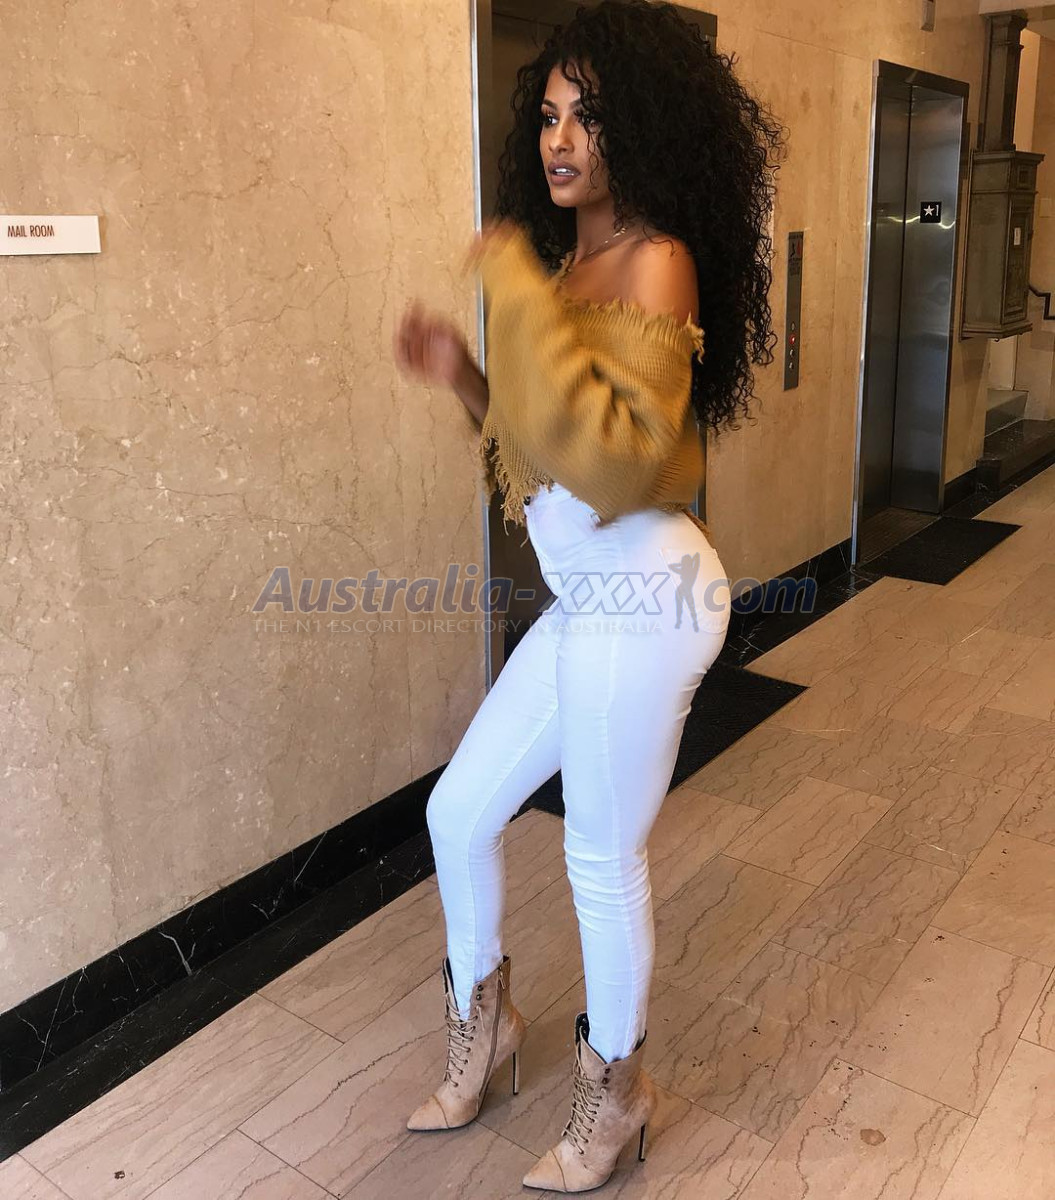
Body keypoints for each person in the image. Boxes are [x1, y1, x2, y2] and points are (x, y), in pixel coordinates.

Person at [392, 2, 785, 1190]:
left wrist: (509, 284)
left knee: (598, 859)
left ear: (640, 131)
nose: (560, 140)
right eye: (550, 116)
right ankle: (488, 1026)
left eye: (589, 118)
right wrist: (467, 375)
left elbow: (613, 467)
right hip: (586, 603)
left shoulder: (655, 259)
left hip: (649, 596)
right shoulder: (562, 271)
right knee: (458, 813)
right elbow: (535, 447)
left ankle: (616, 1096)